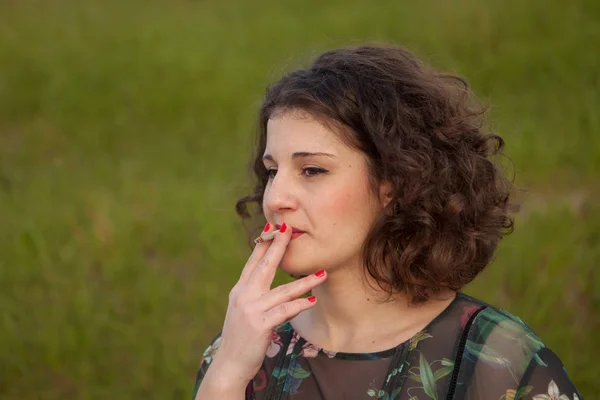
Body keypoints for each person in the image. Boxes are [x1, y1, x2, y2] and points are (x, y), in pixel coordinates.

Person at [193, 45, 583, 400]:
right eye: (272, 170)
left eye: (311, 170)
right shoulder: (238, 352)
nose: (275, 198)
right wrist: (226, 376)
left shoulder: (498, 360)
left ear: (393, 183)